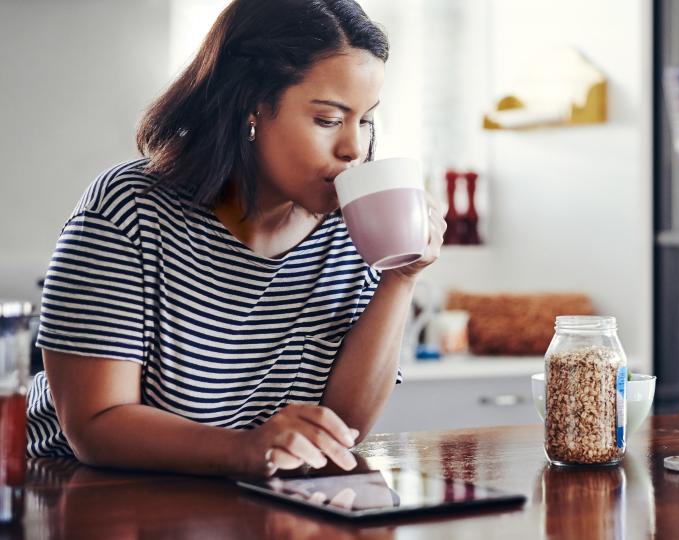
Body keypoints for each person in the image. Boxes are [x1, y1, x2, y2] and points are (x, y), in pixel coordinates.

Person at [26, 0, 444, 478]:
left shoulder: (352, 227)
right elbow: (94, 426)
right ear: (251, 109)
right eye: (329, 119)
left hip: (237, 494)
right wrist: (245, 450)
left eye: (366, 120)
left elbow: (339, 428)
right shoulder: (129, 210)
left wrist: (400, 278)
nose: (354, 149)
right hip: (73, 491)